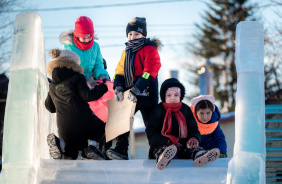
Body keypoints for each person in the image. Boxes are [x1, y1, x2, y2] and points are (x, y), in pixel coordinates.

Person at [106, 17, 162, 160]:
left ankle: (156, 151)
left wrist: (137, 88)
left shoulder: (149, 49)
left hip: (147, 93)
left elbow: (151, 70)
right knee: (123, 121)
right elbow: (119, 71)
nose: (132, 37)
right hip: (129, 93)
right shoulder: (126, 52)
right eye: (130, 34)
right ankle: (121, 149)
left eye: (136, 34)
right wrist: (118, 86)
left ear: (143, 35)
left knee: (151, 125)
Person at [45, 48, 109, 160]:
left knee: (71, 153)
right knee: (101, 128)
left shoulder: (52, 85)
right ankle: (92, 147)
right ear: (74, 64)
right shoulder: (77, 78)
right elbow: (88, 96)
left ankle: (61, 144)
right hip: (83, 120)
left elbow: (50, 108)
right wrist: (103, 87)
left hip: (64, 127)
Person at [146, 78, 220, 170]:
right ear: (163, 96)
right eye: (169, 95)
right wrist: (168, 142)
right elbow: (151, 132)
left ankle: (200, 156)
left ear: (180, 96)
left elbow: (194, 128)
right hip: (163, 144)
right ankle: (163, 158)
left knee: (192, 149)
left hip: (183, 146)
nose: (173, 97)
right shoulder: (158, 110)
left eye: (176, 95)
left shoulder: (185, 109)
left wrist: (194, 138)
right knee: (161, 149)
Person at [60, 16, 110, 88]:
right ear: (77, 35)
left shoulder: (95, 47)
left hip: (90, 86)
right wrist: (84, 79)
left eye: (89, 37)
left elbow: (98, 65)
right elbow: (69, 70)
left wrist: (102, 75)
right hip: (74, 86)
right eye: (84, 38)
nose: (87, 40)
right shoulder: (69, 47)